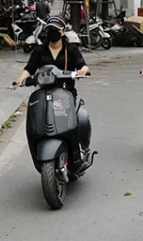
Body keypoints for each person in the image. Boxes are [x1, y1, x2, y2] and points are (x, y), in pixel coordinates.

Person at [12, 16, 92, 157]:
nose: (52, 33)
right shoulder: (39, 50)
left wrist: (83, 71)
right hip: (44, 93)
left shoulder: (71, 50)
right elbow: (30, 68)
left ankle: (79, 146)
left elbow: (82, 64)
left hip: (66, 93)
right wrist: (20, 79)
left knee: (77, 118)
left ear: (62, 31)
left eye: (55, 30)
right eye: (49, 30)